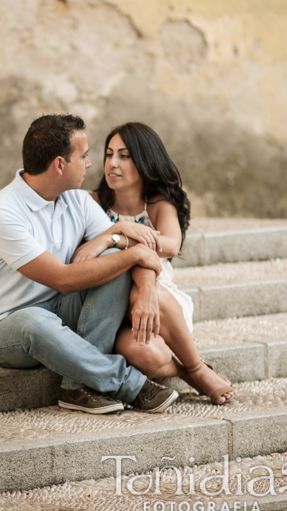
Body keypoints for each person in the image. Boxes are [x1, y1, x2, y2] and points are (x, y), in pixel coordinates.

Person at [0, 113, 179, 415]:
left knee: (111, 262)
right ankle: (129, 384)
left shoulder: (77, 201)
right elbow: (63, 280)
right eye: (85, 155)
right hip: (4, 329)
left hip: (61, 310)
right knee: (35, 321)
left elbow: (136, 249)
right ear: (60, 165)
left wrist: (144, 285)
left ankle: (77, 387)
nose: (91, 163)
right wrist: (131, 252)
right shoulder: (3, 214)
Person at [78, 122, 234, 405]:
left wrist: (111, 238)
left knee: (145, 316)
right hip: (110, 303)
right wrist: (117, 235)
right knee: (147, 350)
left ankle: (194, 367)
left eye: (124, 156)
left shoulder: (158, 204)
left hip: (158, 300)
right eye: (109, 154)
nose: (112, 164)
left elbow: (171, 245)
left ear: (145, 161)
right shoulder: (93, 203)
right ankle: (191, 371)